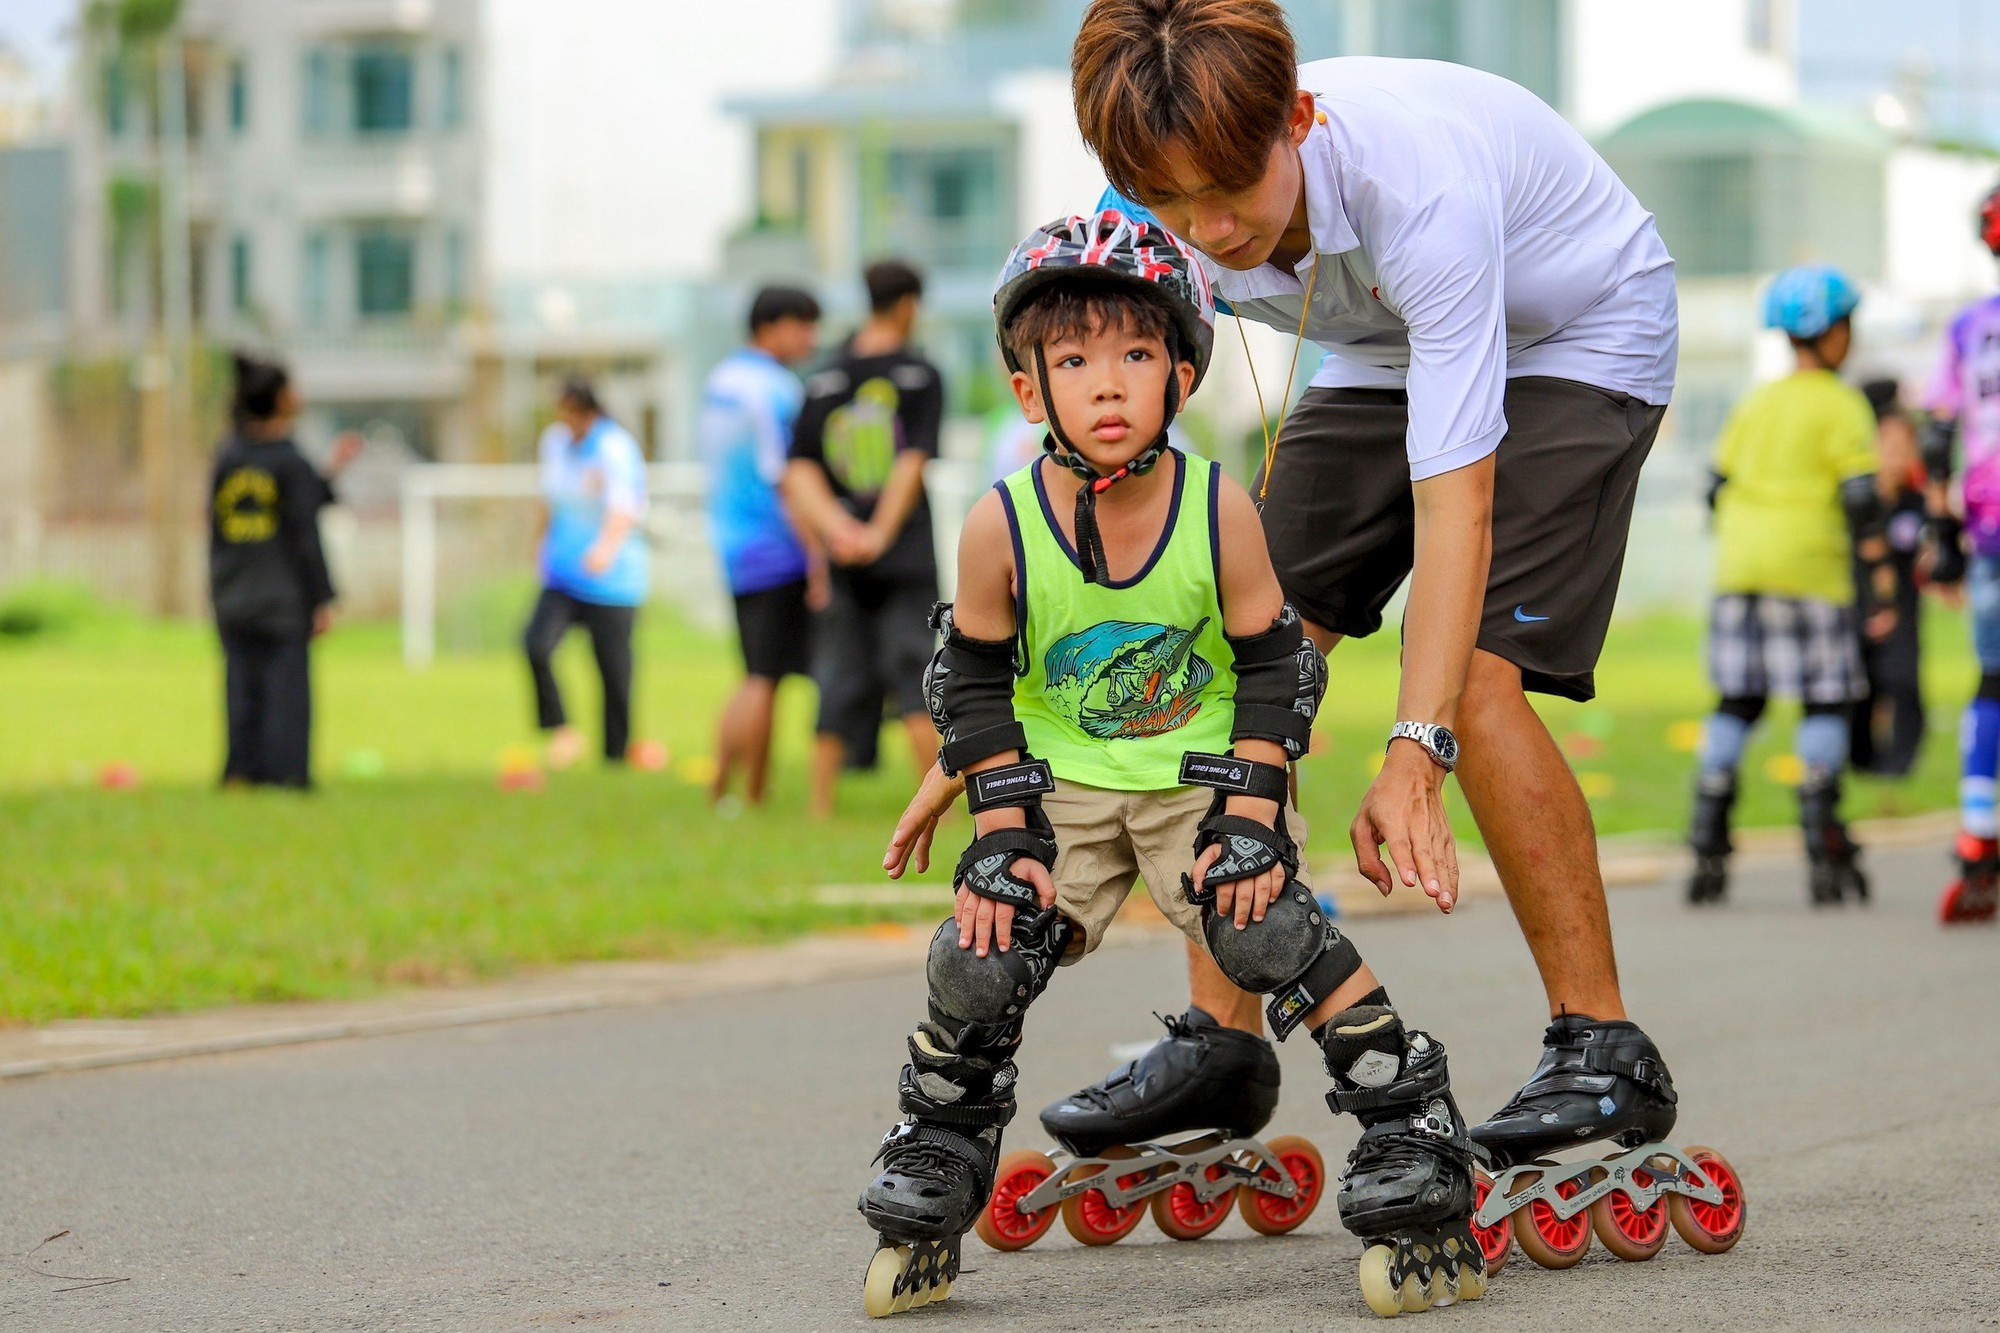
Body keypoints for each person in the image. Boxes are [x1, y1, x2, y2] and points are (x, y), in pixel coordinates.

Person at [888, 0, 1726, 1241]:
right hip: (1375, 350)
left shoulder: (1417, 191)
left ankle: (1601, 1045)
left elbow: (1456, 509)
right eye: (1174, 207)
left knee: (1480, 685)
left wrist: (1412, 748)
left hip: (1574, 335)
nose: (1211, 232)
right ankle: (1221, 1045)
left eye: (1232, 191)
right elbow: (1105, 470)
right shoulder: (1150, 218)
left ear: (1299, 119)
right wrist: (993, 734)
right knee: (1222, 671)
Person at [858, 211, 1488, 1320]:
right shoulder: (996, 525)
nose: (1107, 384)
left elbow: (1274, 665)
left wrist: (1249, 807)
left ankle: (1408, 1114)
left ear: (1181, 376)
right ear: (1026, 391)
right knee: (981, 944)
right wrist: (1001, 826)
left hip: (1199, 773)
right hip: (1061, 786)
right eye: (1074, 360)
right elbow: (966, 682)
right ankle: (940, 1137)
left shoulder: (1219, 511)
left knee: (1262, 924)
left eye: (1135, 355)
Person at [1685, 266, 1891, 907]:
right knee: (1825, 700)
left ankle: (1708, 832)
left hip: (1741, 567)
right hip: (1811, 568)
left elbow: (1716, 486)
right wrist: (1880, 572)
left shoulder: (1757, 400)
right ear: (1830, 334)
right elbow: (1860, 499)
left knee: (1738, 699)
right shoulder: (1843, 402)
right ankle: (1820, 829)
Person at [783, 260, 943, 817]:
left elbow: (798, 470)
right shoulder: (919, 374)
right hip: (903, 554)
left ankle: (819, 808)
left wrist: (837, 530)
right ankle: (939, 809)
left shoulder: (826, 376)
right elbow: (911, 462)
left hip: (843, 554)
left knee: (839, 675)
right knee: (917, 675)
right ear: (908, 306)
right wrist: (875, 534)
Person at [699, 285, 825, 806]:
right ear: (772, 326)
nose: (811, 339)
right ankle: (751, 793)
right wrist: (817, 555)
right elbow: (787, 478)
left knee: (752, 671)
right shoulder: (776, 390)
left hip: (732, 542)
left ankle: (721, 784)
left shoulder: (720, 381)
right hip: (776, 548)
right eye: (803, 326)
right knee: (765, 678)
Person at [1921, 183, 2000, 924]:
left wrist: (1940, 533)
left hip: (1987, 528)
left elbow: (1938, 431)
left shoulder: (1970, 327)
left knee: (1991, 682)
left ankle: (1979, 835)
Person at [208, 352, 337, 789]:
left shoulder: (228, 457)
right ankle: (286, 774)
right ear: (280, 399)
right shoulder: (291, 460)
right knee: (286, 691)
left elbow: (216, 526)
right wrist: (323, 598)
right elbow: (304, 534)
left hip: (233, 592)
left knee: (241, 687)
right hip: (283, 596)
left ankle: (241, 772)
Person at [523, 376, 649, 769]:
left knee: (613, 670)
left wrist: (605, 550)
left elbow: (624, 506)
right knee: (535, 644)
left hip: (612, 580)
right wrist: (539, 546)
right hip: (563, 574)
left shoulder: (614, 446)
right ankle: (562, 730)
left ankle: (616, 755)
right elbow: (549, 499)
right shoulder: (555, 443)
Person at [1848, 377, 1930, 777]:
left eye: (1904, 446)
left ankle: (1900, 764)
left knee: (1903, 681)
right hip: (1862, 607)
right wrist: (1875, 605)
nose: (1896, 455)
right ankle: (1859, 760)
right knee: (1859, 687)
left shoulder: (1917, 503)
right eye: (1888, 445)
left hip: (1906, 612)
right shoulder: (1863, 503)